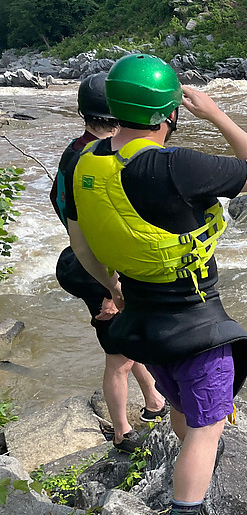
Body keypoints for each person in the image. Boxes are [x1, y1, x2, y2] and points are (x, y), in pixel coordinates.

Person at [65, 54, 247, 515]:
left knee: (183, 410)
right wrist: (218, 114)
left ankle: (188, 485)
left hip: (142, 320)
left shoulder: (86, 161)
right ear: (171, 112)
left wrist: (110, 289)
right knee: (207, 428)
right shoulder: (175, 164)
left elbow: (80, 240)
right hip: (195, 323)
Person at [51, 72, 168, 454]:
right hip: (100, 271)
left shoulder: (74, 153)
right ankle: (122, 432)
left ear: (83, 112)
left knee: (127, 340)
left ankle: (153, 401)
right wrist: (109, 288)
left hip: (80, 261)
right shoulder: (106, 160)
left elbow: (66, 213)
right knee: (118, 357)